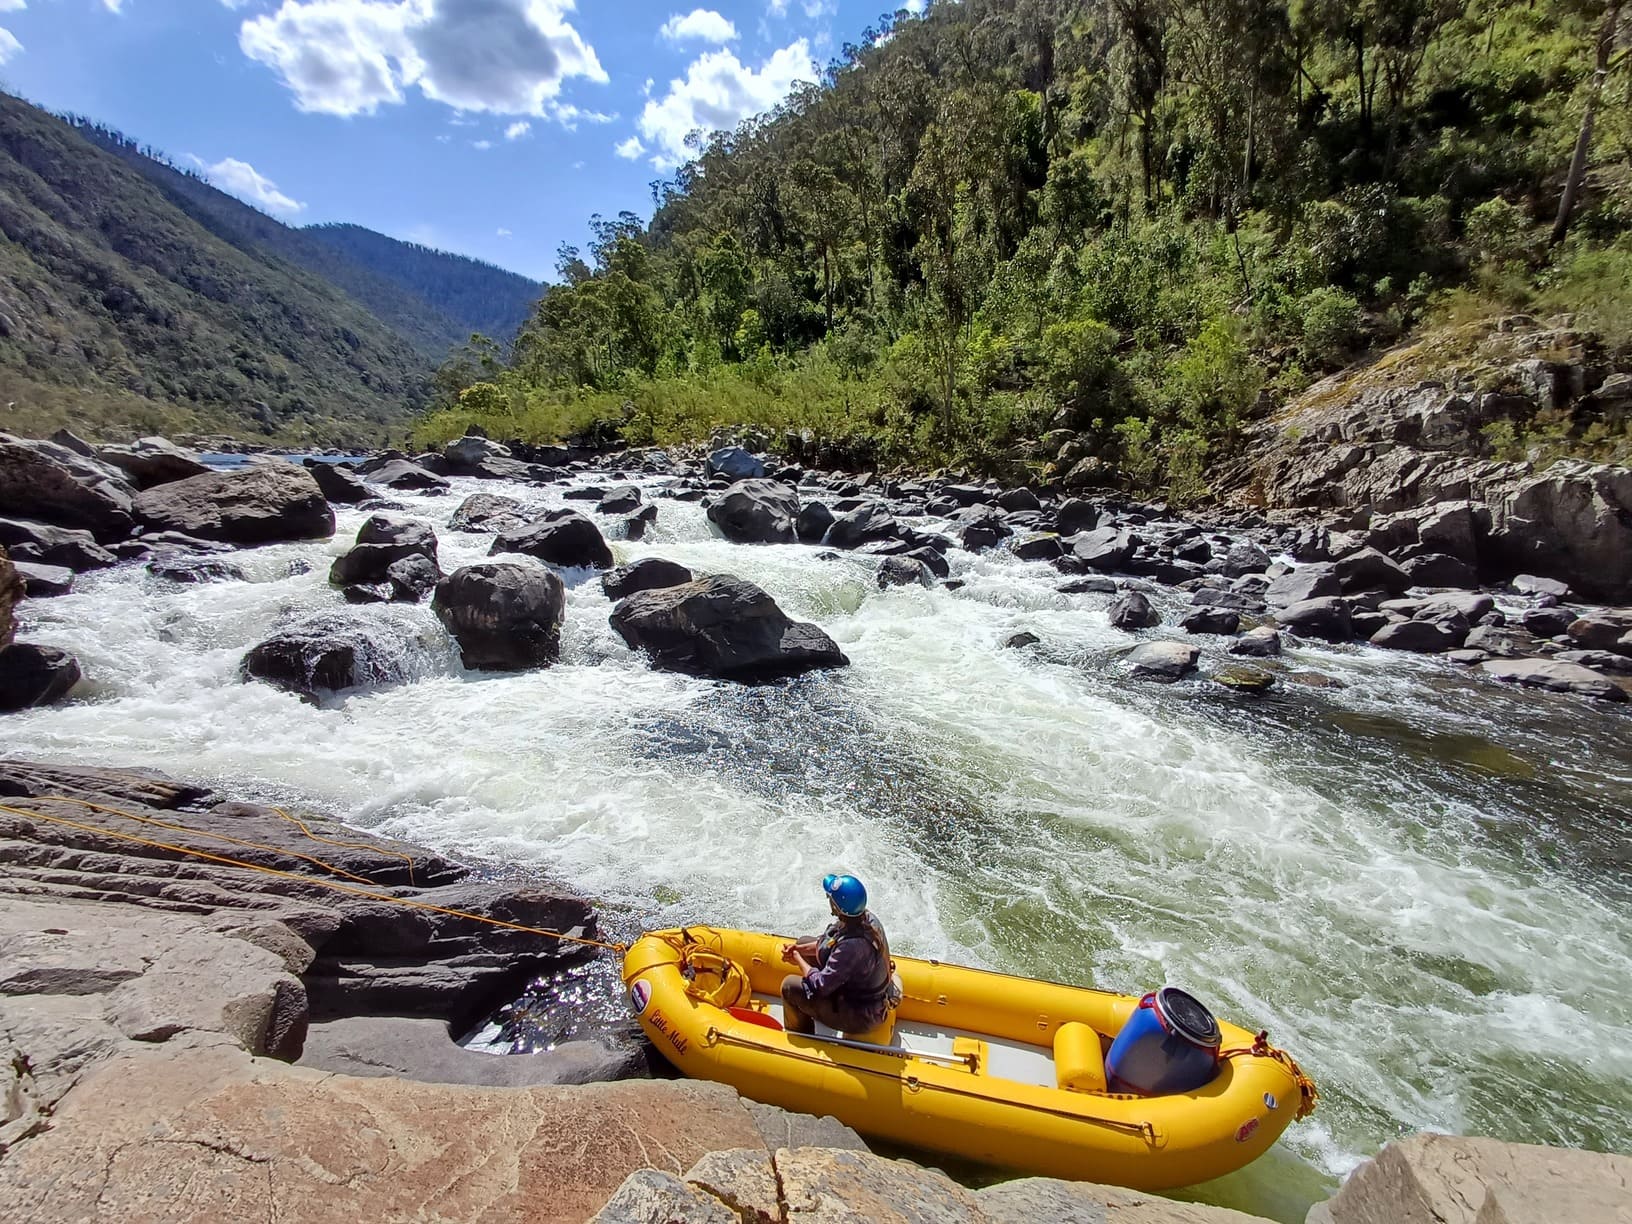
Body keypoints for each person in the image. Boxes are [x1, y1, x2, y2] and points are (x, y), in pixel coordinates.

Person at [780, 873, 897, 1036]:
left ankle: (802, 1036)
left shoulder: (851, 946)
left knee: (789, 987)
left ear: (837, 907)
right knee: (802, 942)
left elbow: (821, 985)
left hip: (862, 1014)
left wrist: (797, 959)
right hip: (860, 990)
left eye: (830, 898)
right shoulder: (865, 918)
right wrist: (798, 950)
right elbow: (829, 942)